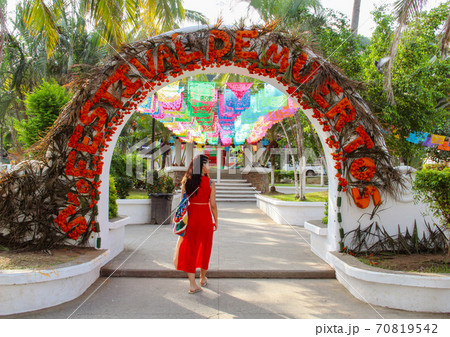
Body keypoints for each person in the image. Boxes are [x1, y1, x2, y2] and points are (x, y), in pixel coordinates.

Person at [174, 154, 218, 294]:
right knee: (205, 247)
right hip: (204, 217)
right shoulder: (210, 183)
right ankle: (203, 278)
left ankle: (192, 284)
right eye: (209, 164)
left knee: (190, 249)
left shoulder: (186, 180)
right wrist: (216, 220)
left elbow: (182, 202)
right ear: (203, 166)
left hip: (191, 217)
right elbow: (213, 204)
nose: (210, 166)